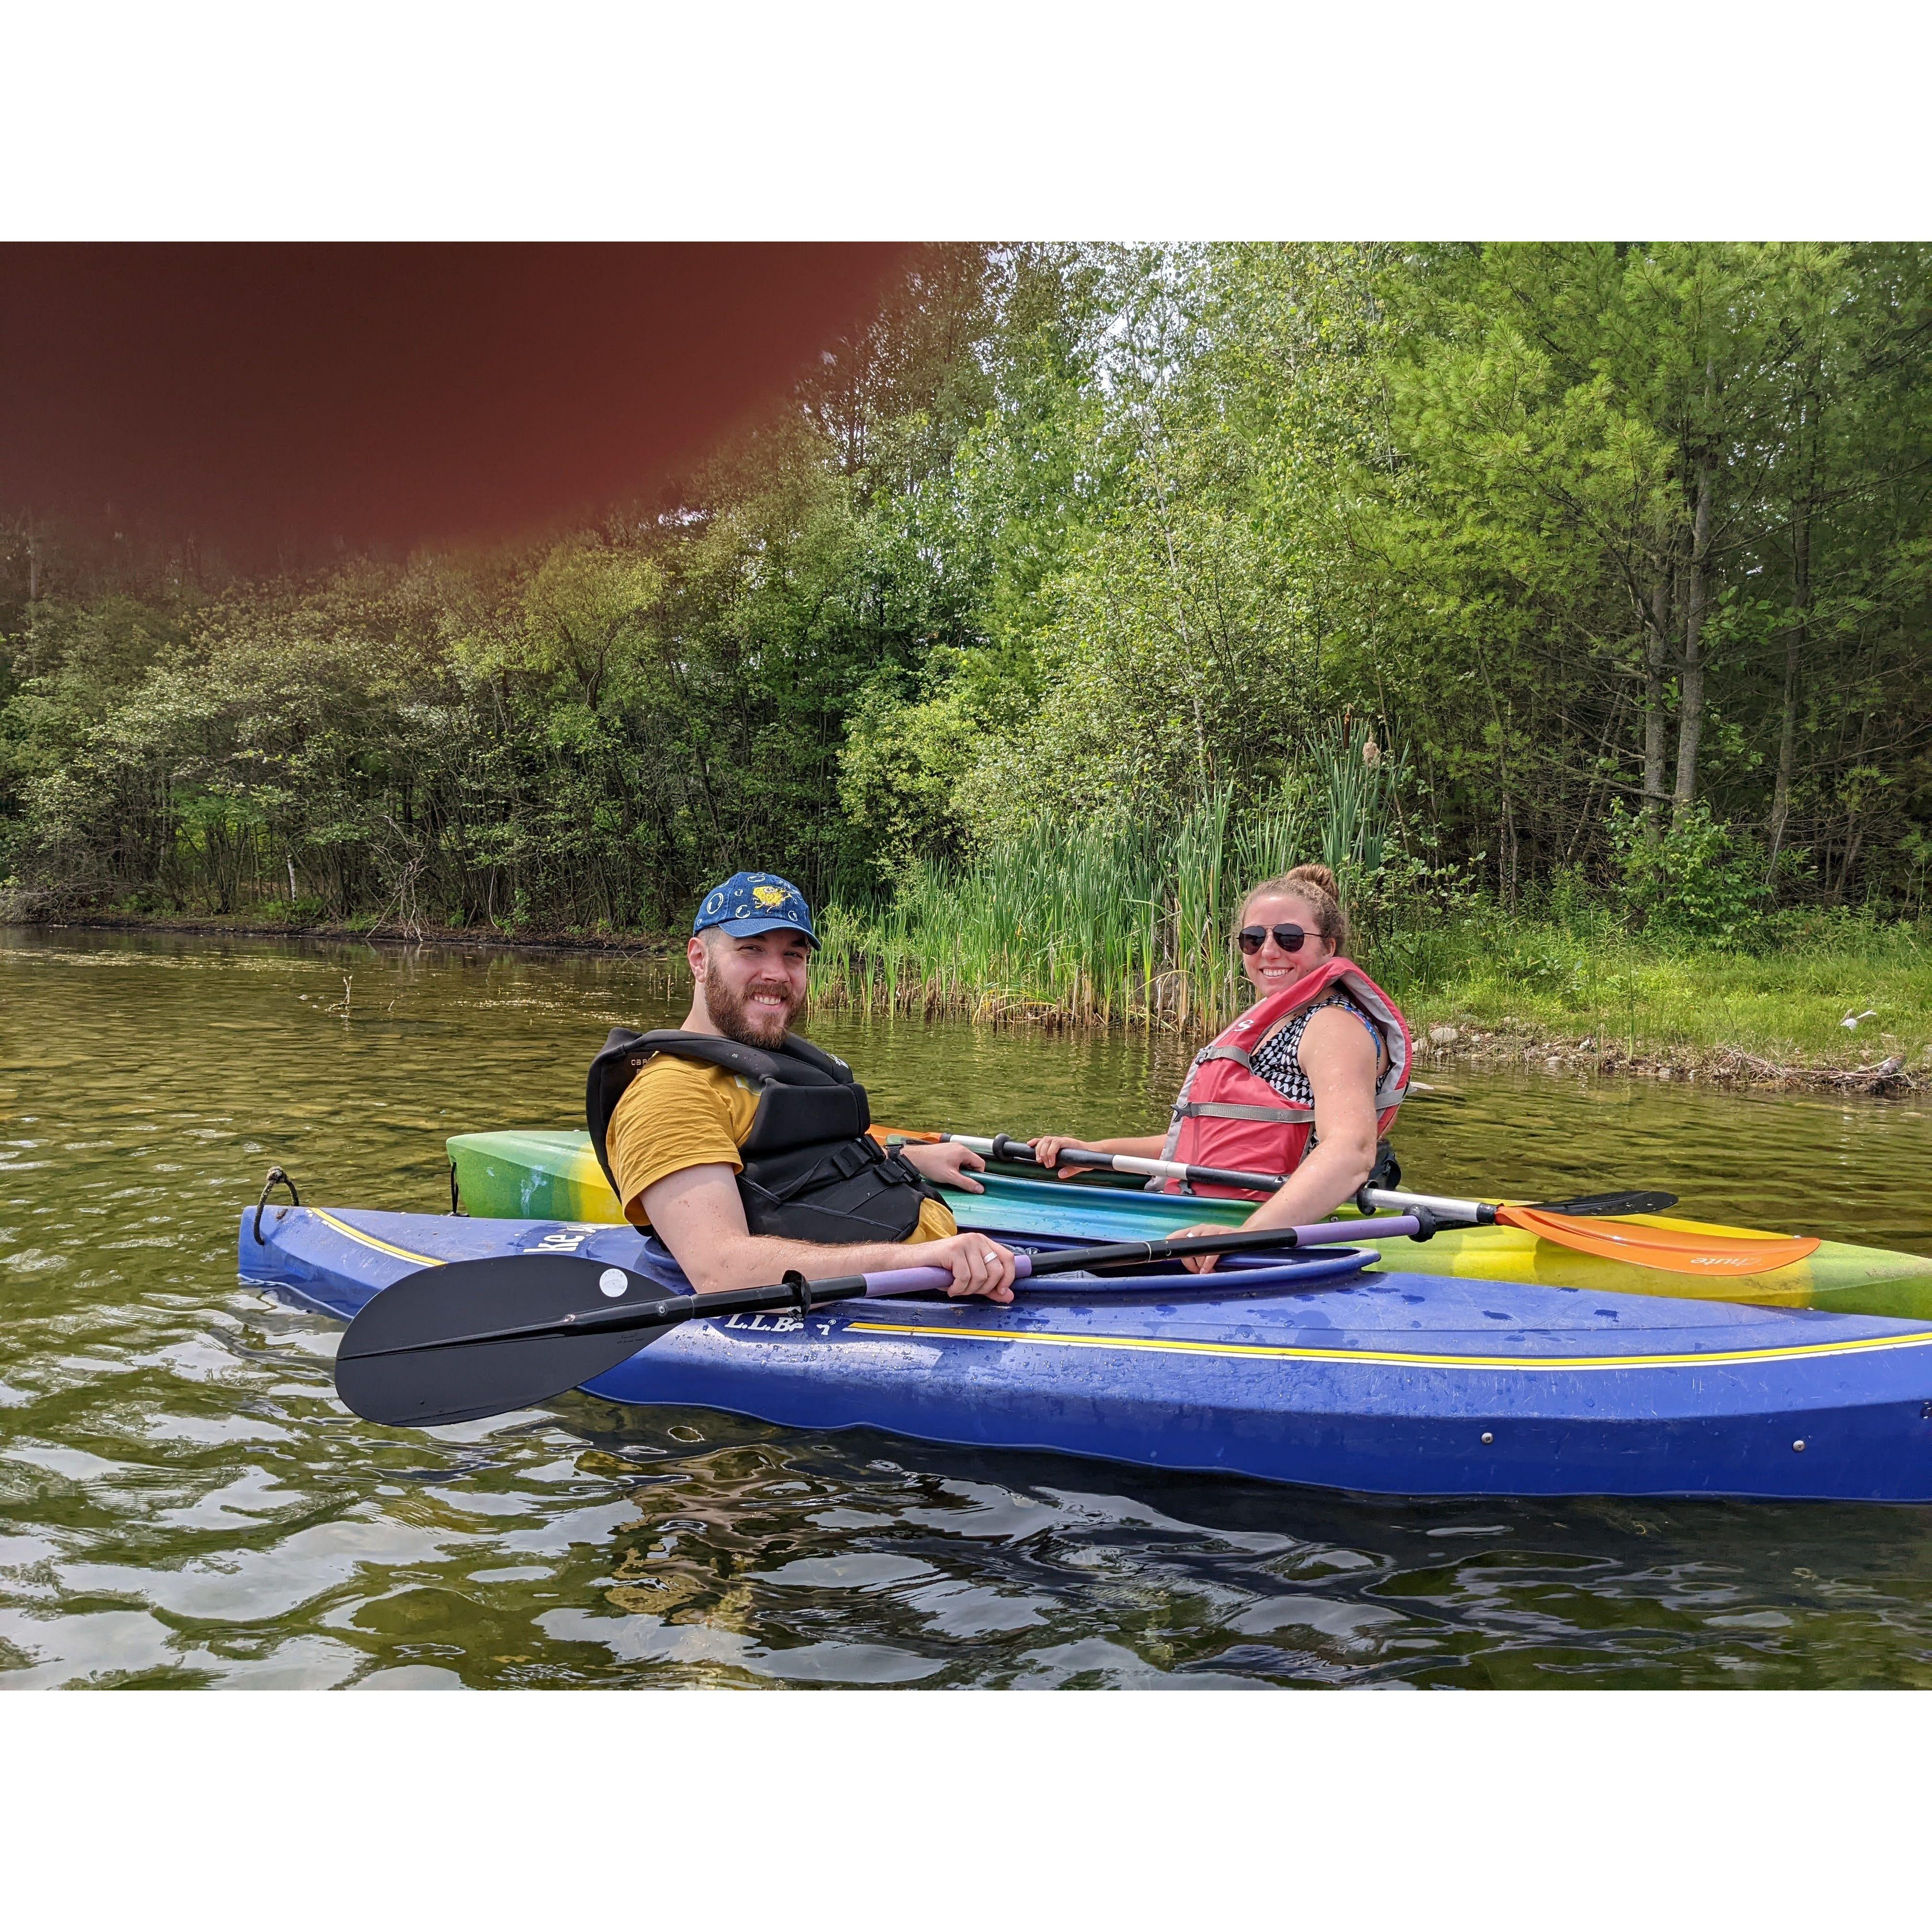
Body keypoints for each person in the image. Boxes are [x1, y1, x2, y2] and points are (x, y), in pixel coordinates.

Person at [587, 871, 1018, 1301]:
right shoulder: (670, 1095)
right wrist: (924, 1258)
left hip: (931, 1261)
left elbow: (797, 1166)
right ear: (699, 960)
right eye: (752, 949)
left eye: (793, 955)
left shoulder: (765, 1063)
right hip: (894, 1294)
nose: (777, 973)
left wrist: (905, 1158)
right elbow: (721, 1270)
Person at [1029, 863, 1411, 1271]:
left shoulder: (1333, 1026)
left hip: (1256, 1225)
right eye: (1253, 939)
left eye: (1290, 938)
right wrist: (1100, 1152)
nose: (1269, 951)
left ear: (1328, 948)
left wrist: (1246, 1237)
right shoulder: (1273, 1021)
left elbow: (1350, 1151)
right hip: (1203, 1209)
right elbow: (1214, 1143)